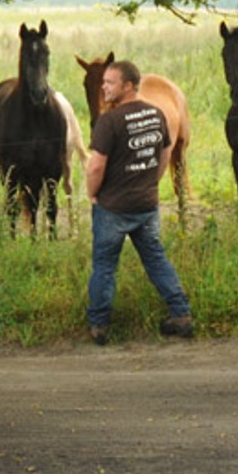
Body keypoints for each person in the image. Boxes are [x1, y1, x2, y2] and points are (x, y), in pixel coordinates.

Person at [83, 59, 193, 345]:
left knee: (105, 266)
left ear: (128, 86)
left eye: (110, 82)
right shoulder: (156, 115)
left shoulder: (110, 121)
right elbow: (166, 153)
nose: (103, 87)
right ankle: (181, 313)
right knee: (156, 259)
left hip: (113, 208)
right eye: (103, 81)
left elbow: (95, 167)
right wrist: (151, 182)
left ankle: (99, 325)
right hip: (146, 205)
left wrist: (93, 193)